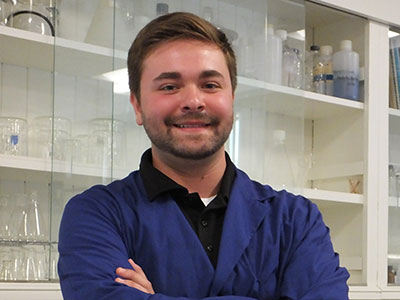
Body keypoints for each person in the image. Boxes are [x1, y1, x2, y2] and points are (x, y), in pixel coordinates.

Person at [58, 12, 349, 300]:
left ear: (232, 98)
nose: (193, 101)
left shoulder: (295, 220)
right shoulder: (97, 214)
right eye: (169, 86)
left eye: (210, 85)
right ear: (137, 105)